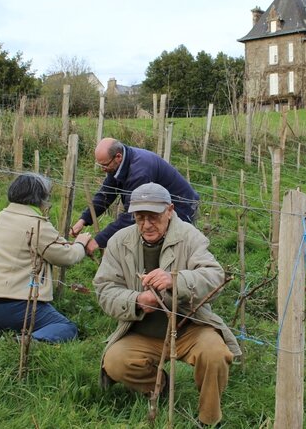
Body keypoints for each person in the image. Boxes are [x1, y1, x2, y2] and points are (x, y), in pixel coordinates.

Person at [93, 182, 240, 427]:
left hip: (189, 326)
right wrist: (137, 301)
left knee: (215, 354)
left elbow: (214, 277)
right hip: (142, 330)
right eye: (140, 217)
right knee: (115, 361)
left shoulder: (189, 237)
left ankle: (209, 419)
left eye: (154, 217)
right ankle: (158, 387)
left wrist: (176, 280)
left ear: (170, 210)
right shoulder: (120, 242)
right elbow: (105, 289)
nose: (147, 224)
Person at [0, 172, 94, 343]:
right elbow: (66, 257)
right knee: (66, 328)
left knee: (14, 316)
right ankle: (22, 341)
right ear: (40, 197)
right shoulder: (36, 223)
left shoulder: (2, 215)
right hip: (6, 303)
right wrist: (81, 244)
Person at [71, 137, 200, 253]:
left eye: (104, 165)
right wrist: (83, 220)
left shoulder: (139, 172)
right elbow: (106, 194)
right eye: (100, 164)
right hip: (158, 204)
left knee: (172, 248)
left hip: (181, 207)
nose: (102, 169)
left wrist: (98, 241)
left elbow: (131, 216)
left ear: (118, 157)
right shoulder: (119, 163)